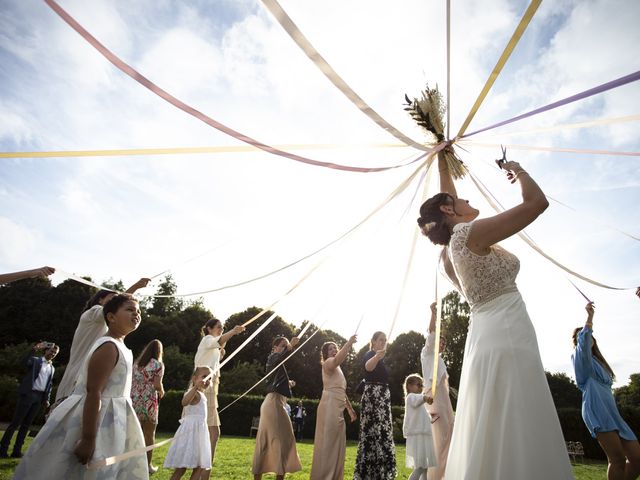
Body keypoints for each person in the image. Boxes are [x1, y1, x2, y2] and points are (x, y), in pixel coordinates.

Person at [416, 153, 573, 479]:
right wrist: (518, 170)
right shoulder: (467, 236)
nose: (467, 198)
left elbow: (448, 202)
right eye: (458, 199)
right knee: (520, 423)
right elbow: (537, 203)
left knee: (495, 428)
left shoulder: (448, 253)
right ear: (448, 210)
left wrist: (444, 159)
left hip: (486, 338)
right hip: (507, 333)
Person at [13, 293, 149, 479]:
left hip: (115, 418)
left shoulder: (123, 347)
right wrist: (88, 439)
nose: (137, 314)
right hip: (97, 418)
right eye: (130, 310)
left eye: (139, 311)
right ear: (111, 317)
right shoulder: (108, 346)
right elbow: (94, 392)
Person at [54, 277, 151, 405]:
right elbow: (115, 307)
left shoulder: (110, 330)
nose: (117, 301)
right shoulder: (93, 313)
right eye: (113, 298)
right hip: (77, 380)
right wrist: (135, 286)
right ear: (100, 300)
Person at [572, 302, 640, 480]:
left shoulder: (599, 361)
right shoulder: (580, 358)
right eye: (582, 335)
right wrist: (589, 318)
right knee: (616, 460)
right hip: (597, 410)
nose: (588, 336)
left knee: (636, 458)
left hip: (612, 412)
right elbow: (584, 341)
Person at [194, 319, 245, 471]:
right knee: (212, 433)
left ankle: (203, 470)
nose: (221, 329)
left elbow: (219, 346)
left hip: (210, 390)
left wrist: (223, 347)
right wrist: (234, 332)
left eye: (223, 327)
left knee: (212, 434)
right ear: (208, 329)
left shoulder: (214, 347)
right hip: (203, 388)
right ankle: (202, 470)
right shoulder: (207, 339)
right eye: (218, 327)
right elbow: (219, 340)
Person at [252, 335, 302, 480]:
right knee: (278, 441)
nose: (286, 347)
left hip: (276, 402)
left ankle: (276, 475)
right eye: (283, 345)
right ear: (275, 348)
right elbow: (279, 358)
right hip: (273, 403)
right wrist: (290, 346)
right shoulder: (273, 357)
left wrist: (289, 383)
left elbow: (277, 376)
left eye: (286, 345)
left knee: (281, 440)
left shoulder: (276, 362)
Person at [310, 336, 358, 480]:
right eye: (331, 349)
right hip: (329, 406)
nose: (334, 350)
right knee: (329, 443)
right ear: (325, 354)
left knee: (337, 444)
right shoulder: (328, 363)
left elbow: (341, 391)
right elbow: (337, 359)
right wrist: (348, 344)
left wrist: (349, 409)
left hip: (338, 407)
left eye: (335, 348)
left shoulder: (339, 369)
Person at [0, 342, 59, 458]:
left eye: (55, 353)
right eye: (51, 351)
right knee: (15, 423)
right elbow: (23, 362)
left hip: (39, 398)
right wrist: (34, 349)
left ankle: (16, 451)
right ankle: (3, 449)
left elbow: (49, 385)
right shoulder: (35, 360)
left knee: (26, 425)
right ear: (46, 351)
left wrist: (46, 399)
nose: (52, 354)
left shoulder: (52, 368)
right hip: (28, 394)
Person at [354, 331, 396, 480]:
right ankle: (368, 473)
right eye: (380, 340)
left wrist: (380, 357)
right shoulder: (370, 354)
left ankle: (380, 472)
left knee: (382, 432)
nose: (383, 342)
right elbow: (368, 368)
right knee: (373, 432)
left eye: (385, 340)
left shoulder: (382, 358)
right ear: (373, 341)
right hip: (374, 398)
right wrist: (377, 356)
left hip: (383, 398)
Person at [420, 302, 454, 480]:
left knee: (449, 435)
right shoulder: (427, 354)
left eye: (443, 343)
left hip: (444, 401)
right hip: (434, 400)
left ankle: (445, 474)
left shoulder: (441, 361)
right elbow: (431, 333)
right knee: (439, 439)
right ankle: (434, 475)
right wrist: (433, 313)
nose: (441, 344)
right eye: (439, 341)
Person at [163, 366, 213, 480]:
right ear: (194, 378)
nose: (207, 380)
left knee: (199, 467)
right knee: (181, 468)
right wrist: (195, 387)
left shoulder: (203, 395)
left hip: (199, 435)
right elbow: (184, 402)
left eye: (210, 378)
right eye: (204, 377)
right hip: (190, 435)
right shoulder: (193, 393)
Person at [131, 339, 165, 475]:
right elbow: (157, 385)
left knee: (135, 433)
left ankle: (132, 463)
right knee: (149, 434)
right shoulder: (157, 364)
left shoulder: (136, 364)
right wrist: (162, 391)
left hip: (134, 399)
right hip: (148, 401)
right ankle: (147, 465)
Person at [403, 374, 437, 480]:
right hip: (418, 437)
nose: (421, 387)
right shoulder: (411, 397)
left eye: (422, 385)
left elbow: (421, 416)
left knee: (424, 467)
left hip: (422, 436)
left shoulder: (418, 402)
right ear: (409, 386)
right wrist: (425, 397)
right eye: (418, 384)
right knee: (420, 467)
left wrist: (430, 418)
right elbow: (418, 399)